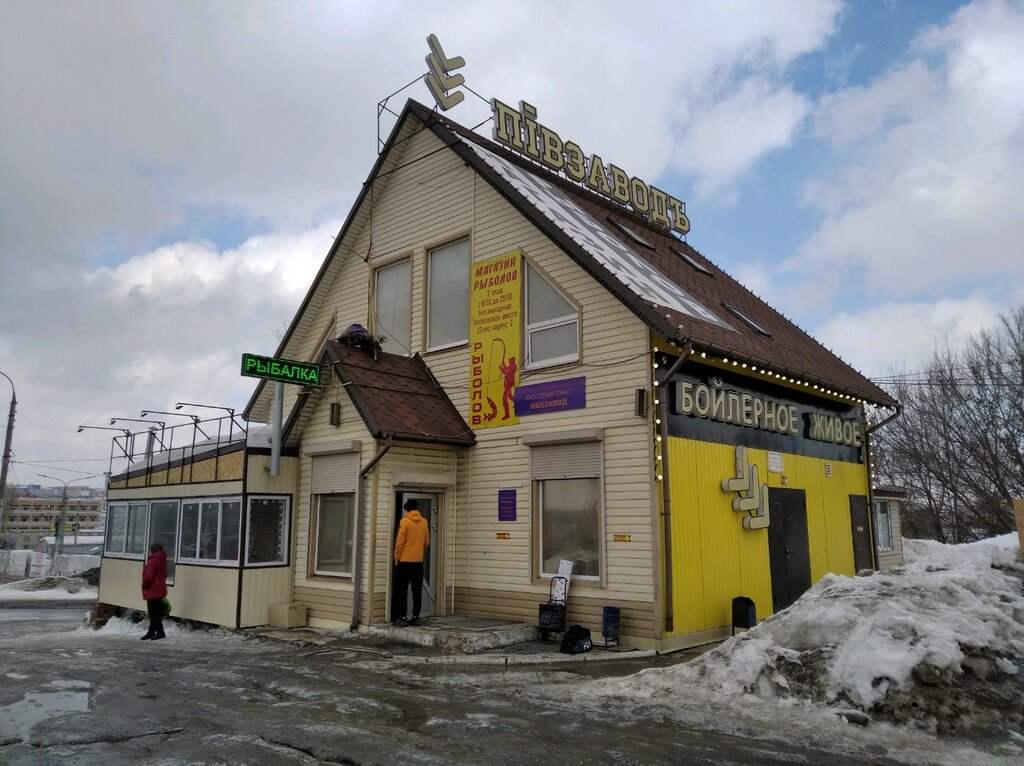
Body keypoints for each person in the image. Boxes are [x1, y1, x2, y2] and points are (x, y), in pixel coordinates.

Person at [393, 498, 429, 626]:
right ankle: (415, 616)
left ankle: (402, 616)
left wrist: (396, 557)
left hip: (404, 562)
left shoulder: (405, 521)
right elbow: (426, 542)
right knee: (416, 590)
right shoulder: (424, 522)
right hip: (418, 562)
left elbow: (400, 542)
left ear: (406, 510)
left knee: (401, 589)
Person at [141, 541, 168, 640]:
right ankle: (151, 632)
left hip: (153, 590)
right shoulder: (162, 560)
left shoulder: (152, 561)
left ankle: (160, 632)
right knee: (155, 612)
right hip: (160, 589)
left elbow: (148, 577)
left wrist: (144, 586)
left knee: (153, 613)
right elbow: (164, 575)